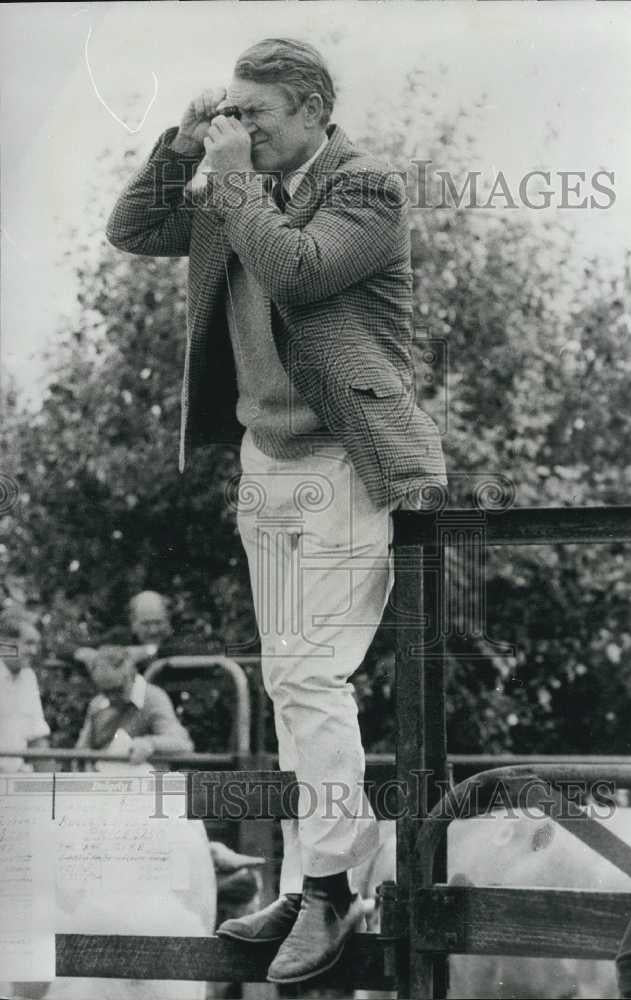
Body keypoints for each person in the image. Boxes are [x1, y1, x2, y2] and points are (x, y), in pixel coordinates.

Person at [106, 37, 447, 983]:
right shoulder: (230, 178)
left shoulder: (366, 188)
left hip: (347, 458)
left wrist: (227, 180)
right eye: (235, 109)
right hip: (269, 462)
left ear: (312, 109)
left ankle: (336, 884)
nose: (240, 126)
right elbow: (132, 232)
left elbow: (294, 269)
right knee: (294, 693)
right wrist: (182, 149)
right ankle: (313, 874)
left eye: (257, 113)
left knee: (306, 678)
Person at [76, 645, 194, 765]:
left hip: (144, 777)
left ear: (130, 677)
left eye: (117, 690)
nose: (111, 698)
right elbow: (82, 749)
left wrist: (150, 744)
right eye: (105, 691)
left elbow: (182, 742)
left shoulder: (152, 697)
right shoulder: (98, 703)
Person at [0, 610, 52, 773]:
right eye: (29, 643)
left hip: (15, 780)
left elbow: (37, 738)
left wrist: (50, 785)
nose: (34, 651)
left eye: (36, 644)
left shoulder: (28, 677)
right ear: (5, 643)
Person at [72, 590, 174, 671]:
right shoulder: (120, 636)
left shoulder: (176, 636)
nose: (153, 630)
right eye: (145, 624)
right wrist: (87, 654)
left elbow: (185, 649)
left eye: (158, 622)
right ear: (134, 623)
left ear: (168, 622)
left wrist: (149, 651)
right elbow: (64, 646)